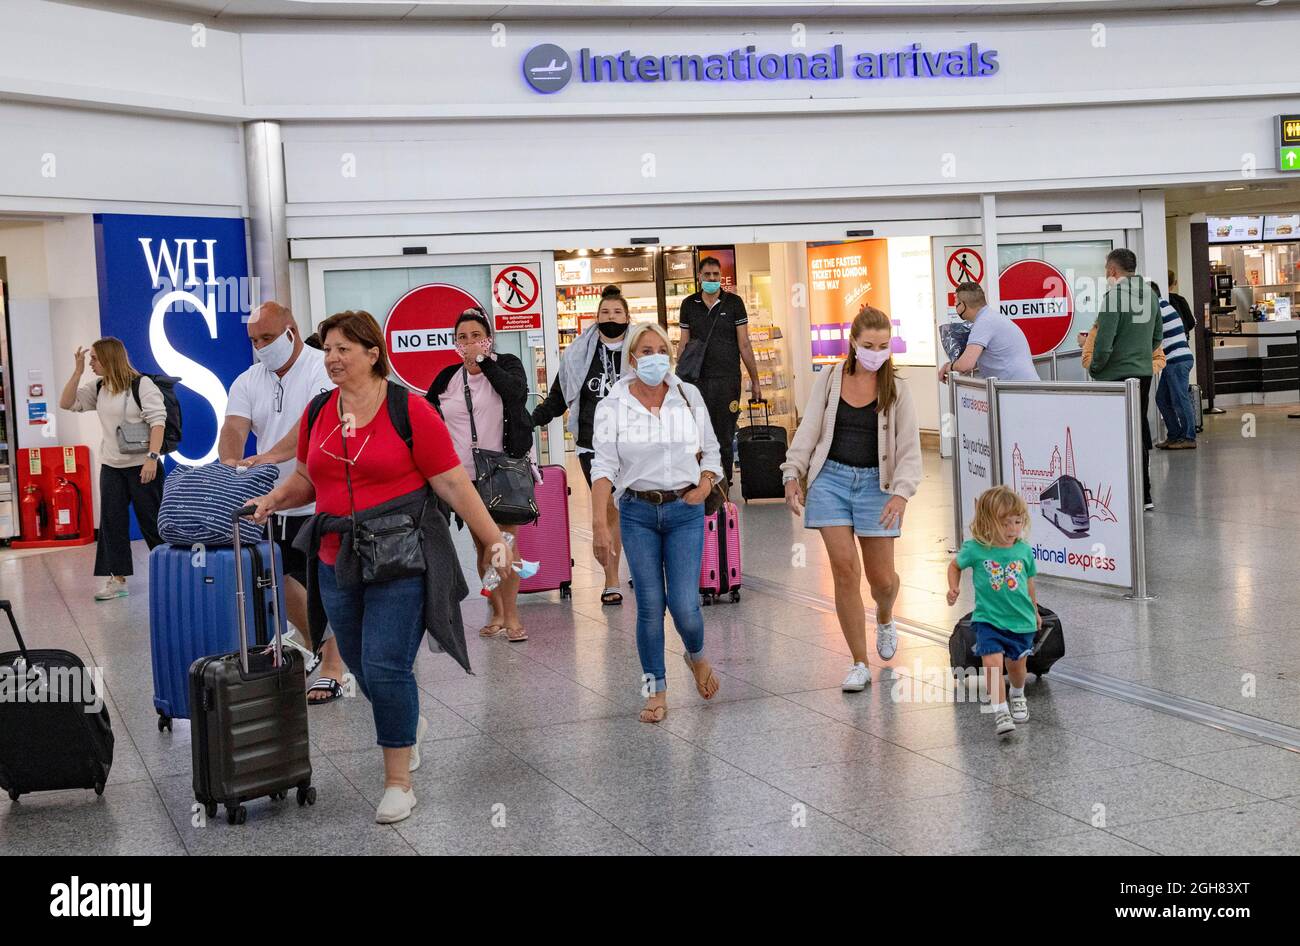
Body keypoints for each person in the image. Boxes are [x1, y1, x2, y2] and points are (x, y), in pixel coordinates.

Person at [249, 310, 509, 825]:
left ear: (373, 353)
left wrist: (493, 537)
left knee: (388, 665)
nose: (333, 358)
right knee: (363, 667)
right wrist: (274, 498)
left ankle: (398, 782)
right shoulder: (319, 411)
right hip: (334, 557)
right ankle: (408, 721)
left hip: (399, 557)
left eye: (345, 349)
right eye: (328, 350)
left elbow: (452, 483)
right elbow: (307, 478)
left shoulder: (409, 410)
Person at [782, 305, 923, 690]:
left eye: (883, 345)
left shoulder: (898, 390)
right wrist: (792, 473)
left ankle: (885, 615)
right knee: (845, 570)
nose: (876, 352)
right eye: (869, 345)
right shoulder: (830, 379)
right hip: (831, 480)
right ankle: (859, 662)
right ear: (853, 343)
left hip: (878, 486)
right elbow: (809, 430)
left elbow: (910, 450)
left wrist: (902, 494)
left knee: (882, 581)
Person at [590, 321, 723, 723]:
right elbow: (603, 465)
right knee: (649, 605)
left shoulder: (687, 395)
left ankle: (696, 656)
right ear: (632, 358)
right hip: (637, 512)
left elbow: (712, 450)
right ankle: (655, 689)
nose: (653, 357)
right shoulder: (613, 404)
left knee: (684, 606)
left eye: (660, 349)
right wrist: (599, 525)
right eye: (645, 351)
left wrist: (703, 486)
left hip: (685, 510)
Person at [218, 301, 347, 704]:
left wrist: (270, 455)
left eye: (268, 338)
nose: (261, 346)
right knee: (280, 579)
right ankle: (320, 647)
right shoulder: (248, 380)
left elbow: (312, 423)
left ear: (291, 330)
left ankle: (334, 666)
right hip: (274, 500)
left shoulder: (318, 368)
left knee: (327, 586)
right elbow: (234, 427)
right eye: (255, 340)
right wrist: (229, 465)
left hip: (320, 494)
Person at [426, 308, 533, 642]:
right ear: (454, 343)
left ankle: (513, 616)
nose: (469, 343)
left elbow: (515, 394)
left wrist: (485, 362)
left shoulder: (507, 365)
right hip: (464, 478)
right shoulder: (446, 378)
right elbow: (428, 416)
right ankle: (497, 611)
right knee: (484, 549)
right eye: (462, 338)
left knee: (506, 546)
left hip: (503, 471)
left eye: (476, 336)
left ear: (489, 339)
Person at [531, 285, 630, 606]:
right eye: (605, 313)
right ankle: (611, 578)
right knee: (609, 508)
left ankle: (637, 569)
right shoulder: (578, 354)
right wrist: (530, 421)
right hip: (594, 446)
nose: (611, 318)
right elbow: (559, 398)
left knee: (634, 510)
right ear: (596, 317)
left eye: (617, 312)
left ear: (628, 316)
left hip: (635, 444)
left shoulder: (641, 350)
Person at [59, 337, 167, 601]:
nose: (91, 363)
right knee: (112, 522)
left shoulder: (142, 385)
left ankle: (169, 572)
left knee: (152, 522)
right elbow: (66, 403)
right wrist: (76, 371)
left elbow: (158, 422)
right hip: (112, 466)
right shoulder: (99, 387)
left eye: (94, 358)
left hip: (143, 465)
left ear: (109, 359)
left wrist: (152, 458)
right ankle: (117, 579)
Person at [946, 486, 1041, 738]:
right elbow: (954, 566)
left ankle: (1017, 694)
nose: (1012, 529)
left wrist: (1035, 609)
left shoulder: (1023, 550)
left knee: (1017, 667)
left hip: (1021, 621)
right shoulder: (975, 549)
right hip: (988, 619)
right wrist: (953, 588)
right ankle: (1000, 710)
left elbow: (1029, 581)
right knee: (991, 661)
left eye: (1017, 522)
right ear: (988, 522)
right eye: (1005, 523)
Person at [1087, 249, 1163, 510]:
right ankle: (1145, 494)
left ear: (1112, 271)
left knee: (1116, 434)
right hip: (1142, 374)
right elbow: (1156, 337)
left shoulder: (1114, 297)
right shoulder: (1151, 296)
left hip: (1115, 376)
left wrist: (1095, 368)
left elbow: (1104, 343)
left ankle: (1118, 495)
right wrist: (1141, 357)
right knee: (1138, 429)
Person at [677, 256, 762, 486]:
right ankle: (701, 480)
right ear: (700, 277)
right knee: (697, 432)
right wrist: (677, 381)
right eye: (707, 275)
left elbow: (744, 344)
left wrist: (755, 381)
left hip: (728, 380)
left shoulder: (733, 303)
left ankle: (724, 483)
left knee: (724, 433)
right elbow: (683, 343)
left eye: (716, 275)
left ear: (720, 276)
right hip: (696, 380)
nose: (712, 279)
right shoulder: (688, 304)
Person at [938, 281, 1037, 383]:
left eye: (956, 303)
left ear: (962, 305)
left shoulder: (983, 322)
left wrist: (948, 367)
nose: (956, 307)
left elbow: (966, 365)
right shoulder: (990, 317)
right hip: (1022, 388)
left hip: (1019, 391)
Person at [1152, 282, 1198, 450]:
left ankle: (1188, 437)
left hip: (1177, 361)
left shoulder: (1157, 310)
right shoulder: (1165, 306)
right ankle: (1175, 435)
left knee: (1179, 399)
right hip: (1174, 360)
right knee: (1162, 398)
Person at [1167, 270, 1197, 339]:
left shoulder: (1157, 300)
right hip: (1181, 338)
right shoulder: (1179, 300)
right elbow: (1191, 322)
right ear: (1175, 283)